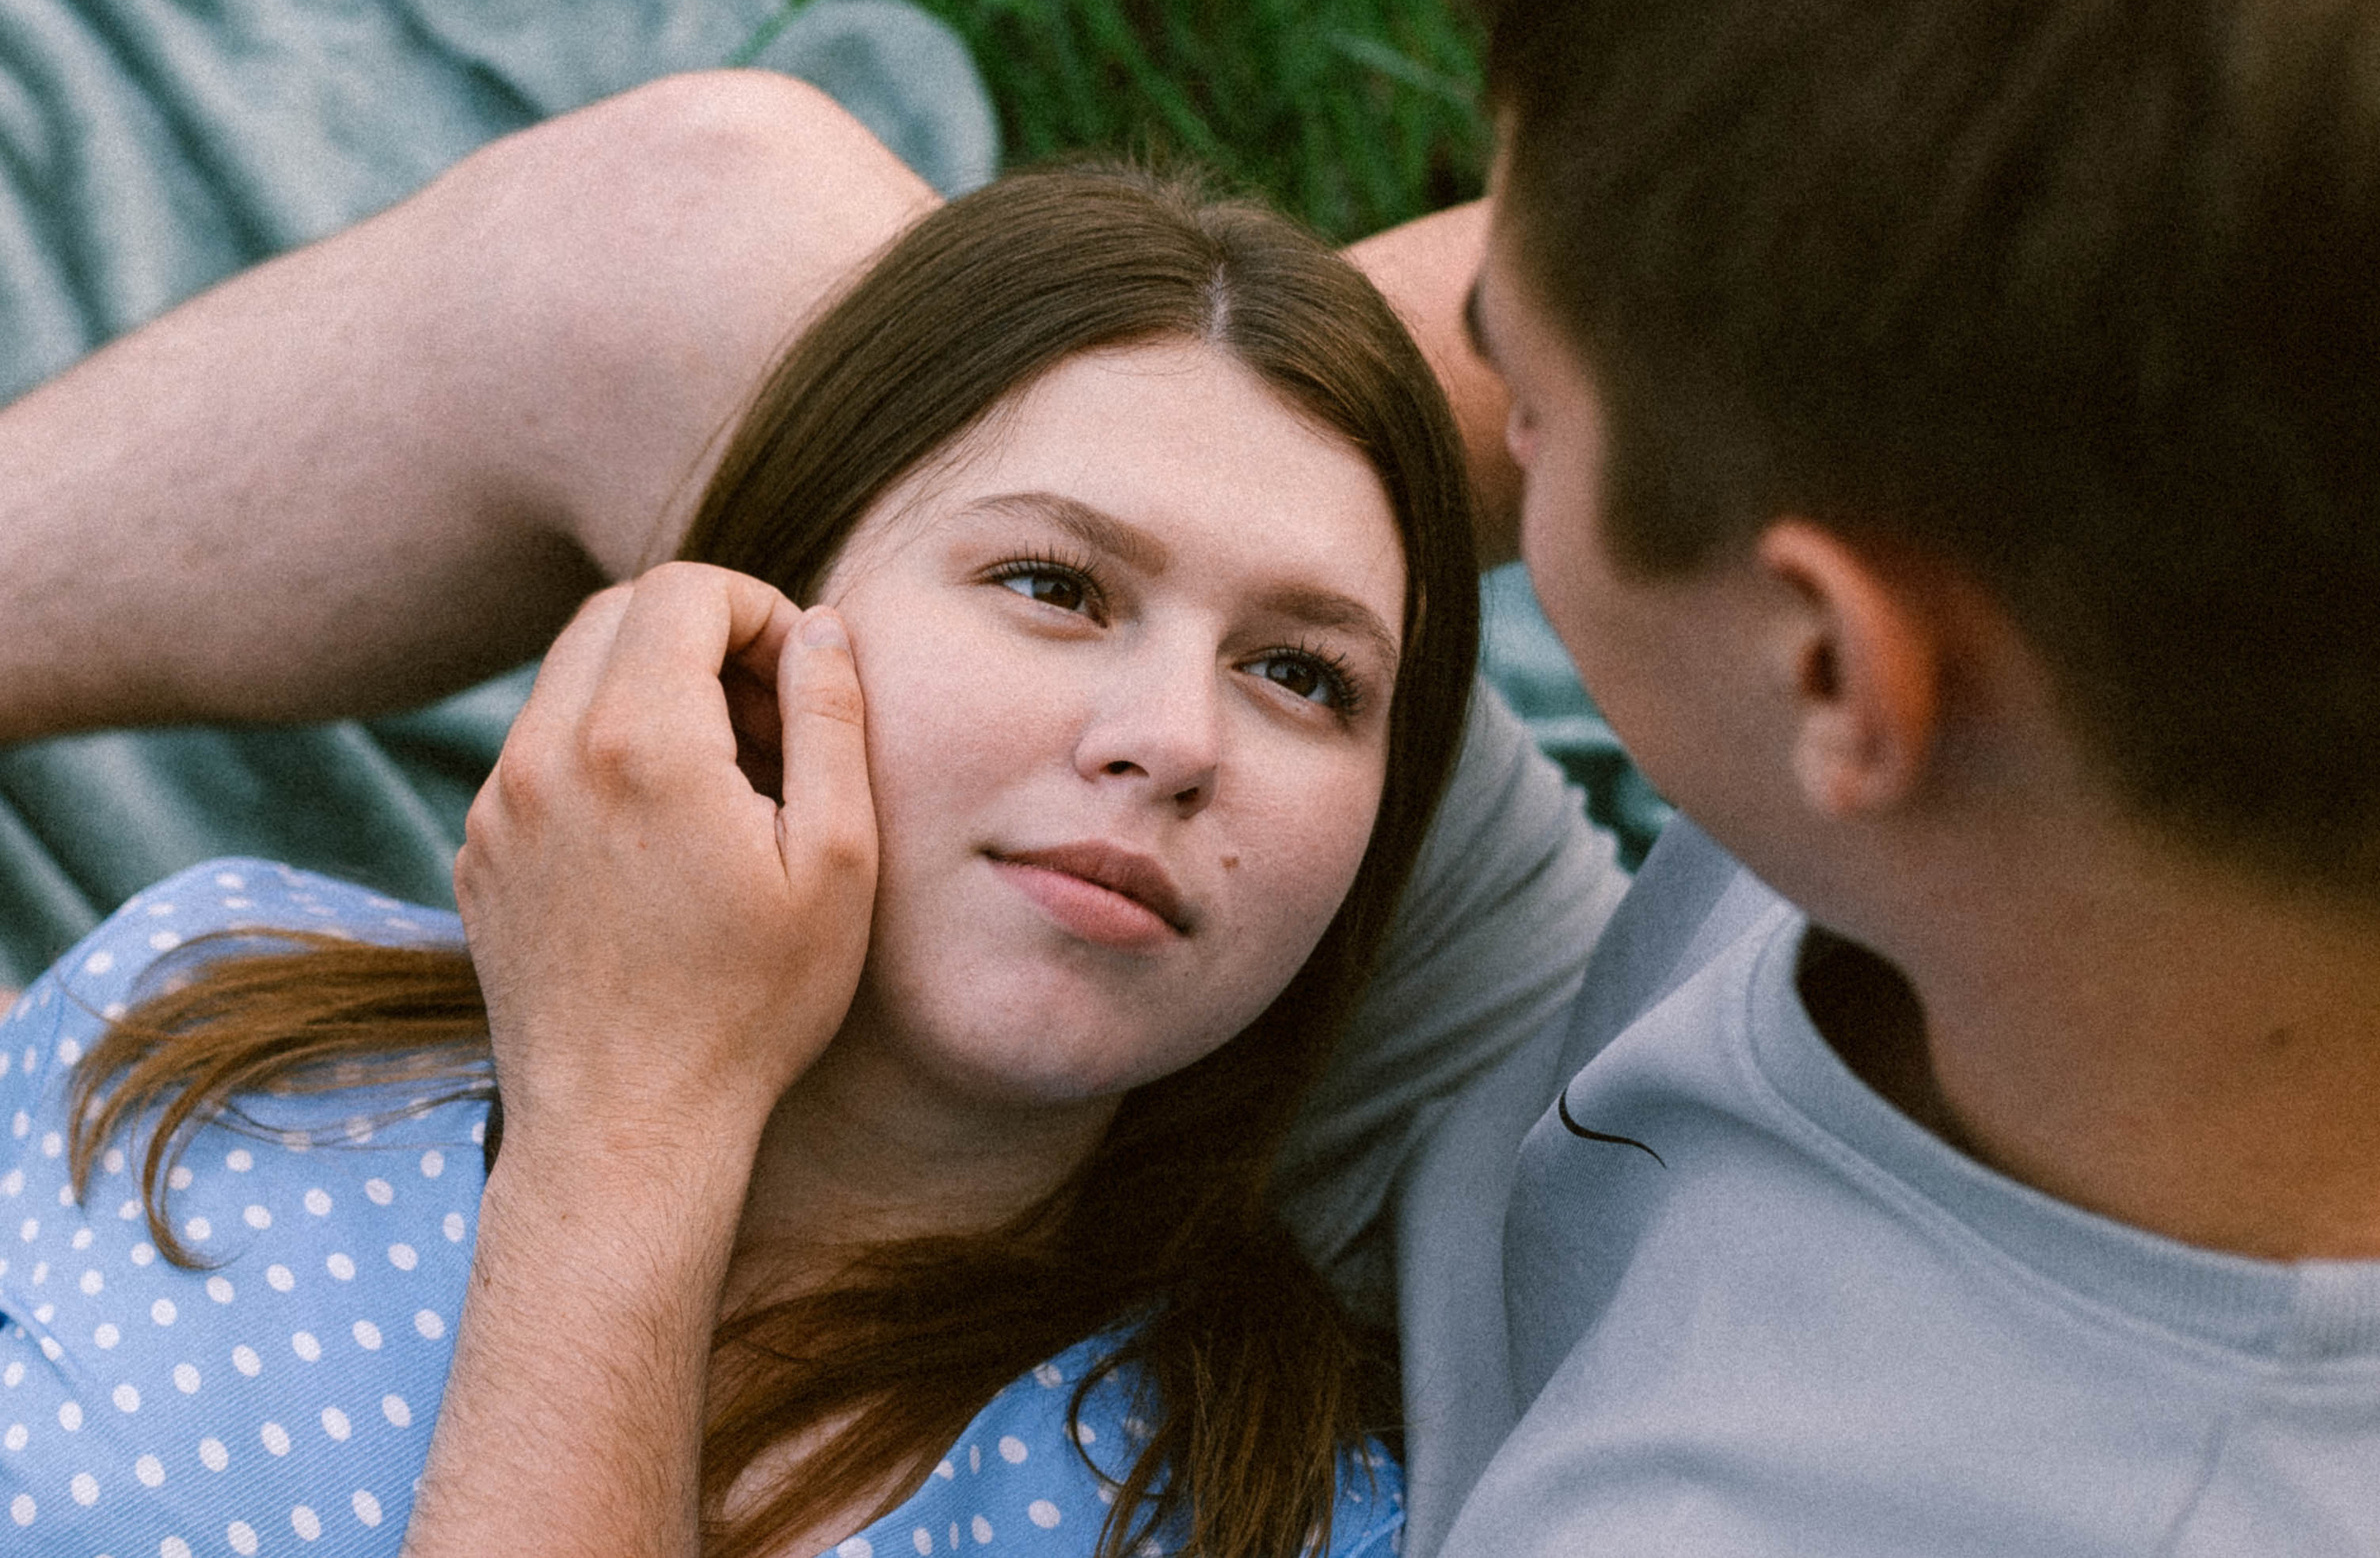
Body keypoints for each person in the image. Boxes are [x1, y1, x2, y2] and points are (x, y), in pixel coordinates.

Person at [18, 0, 2380, 1551]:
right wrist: (995, 506)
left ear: (1836, 676)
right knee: (714, 241)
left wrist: (628, 1117)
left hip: (1528, 1388)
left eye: (1530, 419)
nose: (1474, 424)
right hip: (1736, 1067)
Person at [0, 165, 1482, 1558]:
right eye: (1054, 585)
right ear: (767, 614)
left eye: (1301, 676)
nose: (1170, 738)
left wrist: (628, 1134)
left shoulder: (1276, 1519)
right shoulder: (186, 1014)